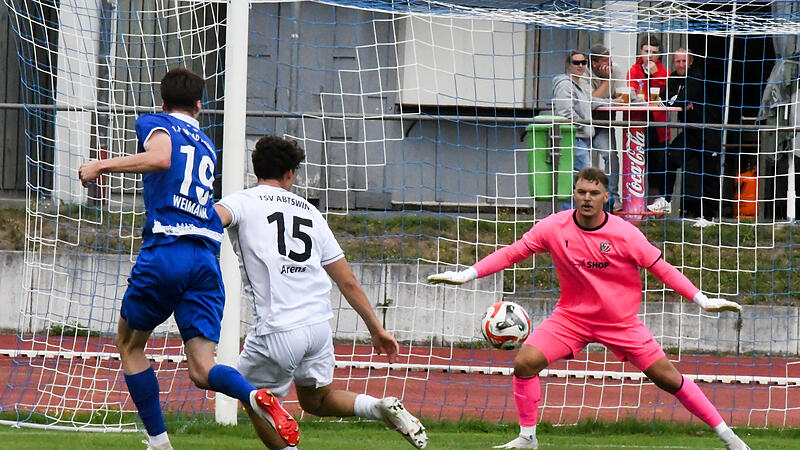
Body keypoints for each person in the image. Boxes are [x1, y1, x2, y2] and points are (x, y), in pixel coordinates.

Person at [427, 167, 749, 450]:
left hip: (620, 323)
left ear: (606, 197)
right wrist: (467, 274)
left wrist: (701, 299)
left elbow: (662, 269)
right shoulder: (554, 227)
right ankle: (527, 438)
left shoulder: (625, 234)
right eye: (581, 191)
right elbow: (513, 252)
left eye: (594, 192)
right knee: (525, 362)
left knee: (669, 379)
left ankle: (728, 437)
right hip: (571, 318)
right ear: (574, 194)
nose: (587, 198)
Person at [78, 68, 298, 450]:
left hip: (169, 249)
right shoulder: (208, 145)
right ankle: (250, 395)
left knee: (130, 345)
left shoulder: (156, 123)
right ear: (200, 105)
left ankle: (159, 443)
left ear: (163, 104)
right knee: (202, 368)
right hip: (206, 258)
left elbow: (161, 158)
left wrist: (101, 165)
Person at [213, 135, 428, 449]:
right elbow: (348, 281)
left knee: (250, 396)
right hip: (317, 329)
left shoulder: (242, 200)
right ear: (290, 174)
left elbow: (212, 219)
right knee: (316, 400)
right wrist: (376, 328)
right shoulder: (310, 212)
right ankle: (378, 407)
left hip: (278, 328)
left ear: (255, 168)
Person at [666, 48, 723, 221]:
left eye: (684, 61)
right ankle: (666, 200)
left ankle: (709, 217)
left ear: (690, 62)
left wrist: (682, 100)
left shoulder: (696, 76)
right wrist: (682, 101)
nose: (681, 64)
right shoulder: (673, 77)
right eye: (678, 61)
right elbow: (664, 98)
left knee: (709, 173)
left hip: (708, 131)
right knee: (670, 157)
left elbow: (684, 97)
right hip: (690, 132)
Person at [626, 35, 671, 214]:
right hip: (638, 124)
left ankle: (655, 212)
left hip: (658, 127)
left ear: (659, 54)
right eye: (647, 52)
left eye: (654, 52)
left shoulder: (664, 72)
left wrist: (654, 74)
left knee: (657, 170)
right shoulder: (633, 70)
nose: (650, 56)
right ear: (640, 52)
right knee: (636, 168)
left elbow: (667, 91)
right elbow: (631, 91)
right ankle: (635, 209)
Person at [552, 51, 595, 211]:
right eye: (576, 63)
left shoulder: (579, 86)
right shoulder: (565, 84)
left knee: (579, 181)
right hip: (573, 139)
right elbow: (564, 113)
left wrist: (614, 101)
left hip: (581, 139)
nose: (581, 66)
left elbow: (590, 101)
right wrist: (584, 126)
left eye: (583, 62)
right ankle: (570, 215)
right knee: (580, 181)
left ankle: (576, 215)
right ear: (568, 65)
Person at [586, 43, 621, 211]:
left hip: (604, 124)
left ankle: (612, 197)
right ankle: (582, 198)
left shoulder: (616, 69)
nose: (610, 62)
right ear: (594, 63)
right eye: (605, 59)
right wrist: (607, 81)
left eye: (610, 58)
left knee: (611, 156)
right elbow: (590, 100)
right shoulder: (584, 72)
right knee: (582, 162)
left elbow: (622, 94)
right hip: (583, 125)